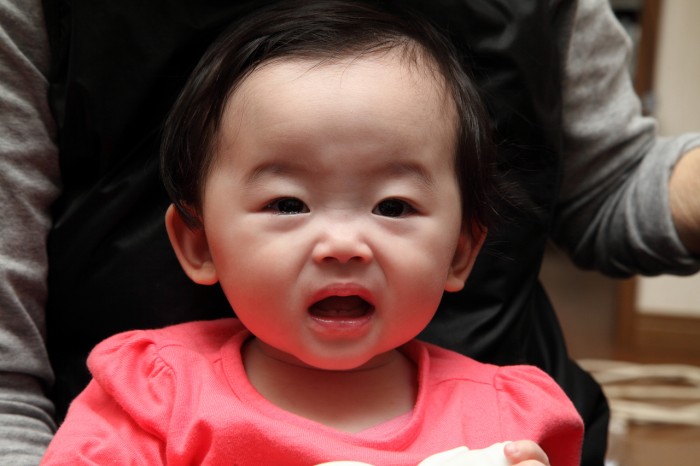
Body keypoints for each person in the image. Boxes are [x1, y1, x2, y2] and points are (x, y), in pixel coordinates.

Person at [1, 0, 699, 464]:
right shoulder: (150, 400)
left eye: (392, 207)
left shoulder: (513, 414)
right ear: (199, 244)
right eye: (288, 204)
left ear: (461, 252)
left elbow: (614, 179)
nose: (343, 244)